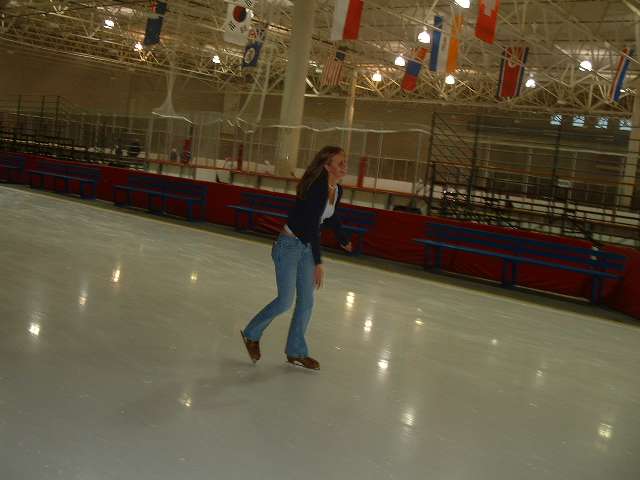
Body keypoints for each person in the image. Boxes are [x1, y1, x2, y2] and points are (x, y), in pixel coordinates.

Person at [241, 146, 352, 370]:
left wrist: (342, 237)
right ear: (327, 166)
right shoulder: (317, 187)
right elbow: (311, 225)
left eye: (345, 162)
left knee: (307, 301)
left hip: (306, 246)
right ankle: (251, 334)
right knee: (285, 301)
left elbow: (330, 217)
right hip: (289, 246)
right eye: (340, 163)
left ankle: (296, 351)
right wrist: (318, 262)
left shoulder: (336, 189)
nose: (344, 167)